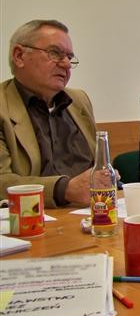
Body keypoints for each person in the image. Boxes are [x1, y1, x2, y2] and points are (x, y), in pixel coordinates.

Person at [1, 19, 97, 207]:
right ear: (19, 56)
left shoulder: (79, 101)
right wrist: (64, 189)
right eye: (55, 53)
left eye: (69, 57)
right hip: (33, 215)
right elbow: (2, 181)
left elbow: (96, 165)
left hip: (90, 211)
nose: (66, 64)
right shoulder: (3, 106)